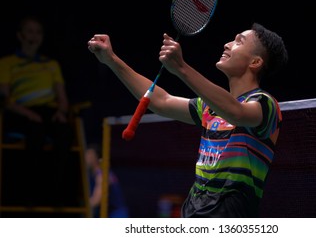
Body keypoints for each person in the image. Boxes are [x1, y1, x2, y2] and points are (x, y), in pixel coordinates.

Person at [87, 22, 288, 217]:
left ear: (255, 62)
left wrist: (182, 68)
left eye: (239, 41)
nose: (227, 44)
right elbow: (161, 100)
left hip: (230, 214)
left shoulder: (265, 105)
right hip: (194, 209)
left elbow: (235, 112)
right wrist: (111, 59)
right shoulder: (209, 107)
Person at [0, 15, 74, 206]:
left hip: (48, 112)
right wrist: (28, 114)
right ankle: (30, 197)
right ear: (20, 35)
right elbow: (5, 99)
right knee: (35, 133)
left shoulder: (51, 64)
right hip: (21, 113)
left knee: (64, 133)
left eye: (38, 32)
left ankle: (58, 197)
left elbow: (62, 98)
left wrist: (61, 111)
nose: (34, 36)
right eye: (29, 31)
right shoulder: (7, 63)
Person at [85, 143, 129, 218]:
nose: (85, 158)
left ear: (96, 158)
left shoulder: (102, 175)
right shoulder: (92, 175)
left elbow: (96, 200)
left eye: (89, 156)